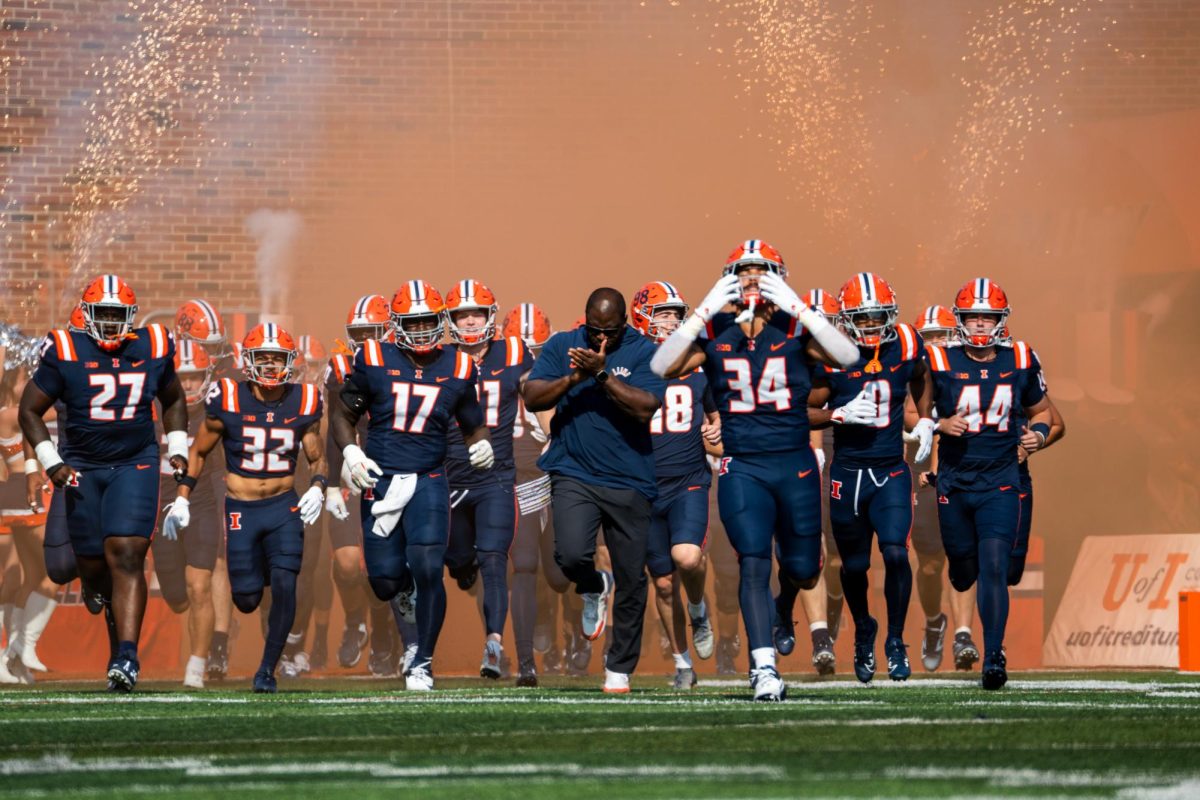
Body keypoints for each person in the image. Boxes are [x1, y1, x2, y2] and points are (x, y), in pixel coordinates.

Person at [650, 240, 859, 701]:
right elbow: (661, 365)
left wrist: (802, 310)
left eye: (761, 270)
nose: (751, 279)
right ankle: (763, 667)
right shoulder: (718, 327)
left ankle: (783, 609)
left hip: (794, 462)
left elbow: (849, 358)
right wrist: (703, 309)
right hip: (743, 465)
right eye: (743, 271)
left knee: (804, 568)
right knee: (752, 563)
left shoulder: (794, 325)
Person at [19, 274, 189, 692]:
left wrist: (178, 444)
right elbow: (29, 410)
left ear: (131, 316)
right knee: (86, 565)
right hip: (80, 466)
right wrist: (49, 460)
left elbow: (174, 398)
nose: (111, 323)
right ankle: (95, 583)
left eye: (118, 315)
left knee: (128, 554)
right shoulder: (65, 350)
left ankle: (127, 657)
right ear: (87, 315)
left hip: (135, 462)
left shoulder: (151, 345)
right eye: (103, 314)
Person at [331, 280, 494, 691]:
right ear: (396, 324)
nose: (421, 330)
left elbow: (474, 424)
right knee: (385, 580)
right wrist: (352, 454)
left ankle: (422, 661)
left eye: (427, 322)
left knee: (427, 566)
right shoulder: (373, 357)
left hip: (429, 479)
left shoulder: (458, 365)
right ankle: (402, 593)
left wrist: (482, 446)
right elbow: (342, 416)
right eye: (413, 322)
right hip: (381, 477)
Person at [164, 323, 327, 693]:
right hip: (242, 508)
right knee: (247, 598)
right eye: (262, 359)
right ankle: (265, 570)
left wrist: (318, 487)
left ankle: (267, 670)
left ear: (291, 363)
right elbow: (200, 451)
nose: (270, 367)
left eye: (278, 359)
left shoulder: (304, 399)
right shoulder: (228, 397)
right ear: (247, 361)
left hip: (284, 504)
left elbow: (316, 456)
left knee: (286, 585)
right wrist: (183, 497)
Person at [523, 287, 665, 694]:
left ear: (626, 323)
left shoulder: (643, 351)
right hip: (574, 471)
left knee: (632, 578)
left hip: (630, 478)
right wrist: (574, 377)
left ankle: (619, 667)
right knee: (569, 555)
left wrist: (601, 376)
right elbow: (532, 396)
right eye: (594, 330)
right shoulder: (564, 344)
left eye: (611, 332)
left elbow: (644, 407)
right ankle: (591, 585)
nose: (601, 340)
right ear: (584, 321)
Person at [926, 278, 1063, 690]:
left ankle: (993, 655)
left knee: (996, 567)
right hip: (955, 478)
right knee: (963, 572)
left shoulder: (1021, 357)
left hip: (1002, 478)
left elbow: (1043, 413)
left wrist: (1037, 436)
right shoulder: (939, 360)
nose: (981, 324)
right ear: (961, 319)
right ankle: (982, 636)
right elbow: (911, 416)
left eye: (988, 316)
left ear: (1002, 319)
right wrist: (937, 423)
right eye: (973, 316)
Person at [807, 273, 934, 683]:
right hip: (848, 472)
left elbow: (921, 375)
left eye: (877, 316)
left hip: (891, 470)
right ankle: (864, 628)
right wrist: (834, 415)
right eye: (861, 318)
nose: (871, 325)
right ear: (845, 320)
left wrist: (927, 418)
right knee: (853, 566)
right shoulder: (830, 355)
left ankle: (895, 641)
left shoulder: (908, 343)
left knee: (897, 553)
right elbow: (797, 407)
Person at [442, 280, 535, 681]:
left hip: (497, 476)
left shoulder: (515, 351)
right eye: (462, 314)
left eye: (477, 313)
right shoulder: (440, 357)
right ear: (450, 321)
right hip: (449, 477)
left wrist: (548, 427)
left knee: (494, 560)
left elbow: (537, 393)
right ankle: (461, 568)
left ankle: (494, 644)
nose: (470, 320)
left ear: (491, 315)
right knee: (459, 561)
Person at [632, 281, 721, 690]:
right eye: (661, 312)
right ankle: (683, 663)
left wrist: (719, 432)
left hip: (687, 480)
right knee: (663, 582)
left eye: (674, 313)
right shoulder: (630, 365)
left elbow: (718, 416)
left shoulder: (699, 364)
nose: (669, 321)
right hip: (644, 486)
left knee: (687, 558)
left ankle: (699, 607)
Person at [322, 295, 399, 674]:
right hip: (351, 473)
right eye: (359, 333)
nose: (366, 339)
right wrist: (331, 484)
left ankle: (386, 636)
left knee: (384, 565)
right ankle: (356, 620)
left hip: (393, 473)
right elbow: (332, 427)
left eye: (373, 331)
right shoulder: (340, 368)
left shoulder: (404, 363)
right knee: (348, 563)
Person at [151, 340, 223, 689]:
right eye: (184, 377)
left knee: (200, 586)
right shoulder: (148, 408)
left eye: (196, 376)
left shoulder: (218, 409)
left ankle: (197, 666)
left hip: (203, 500)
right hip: (160, 500)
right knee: (178, 599)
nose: (190, 384)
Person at [174, 298, 235, 679]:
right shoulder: (167, 364)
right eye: (205, 347)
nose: (212, 356)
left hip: (218, 471)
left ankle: (218, 646)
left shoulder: (232, 370)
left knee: (218, 562)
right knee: (183, 586)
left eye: (215, 347)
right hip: (174, 474)